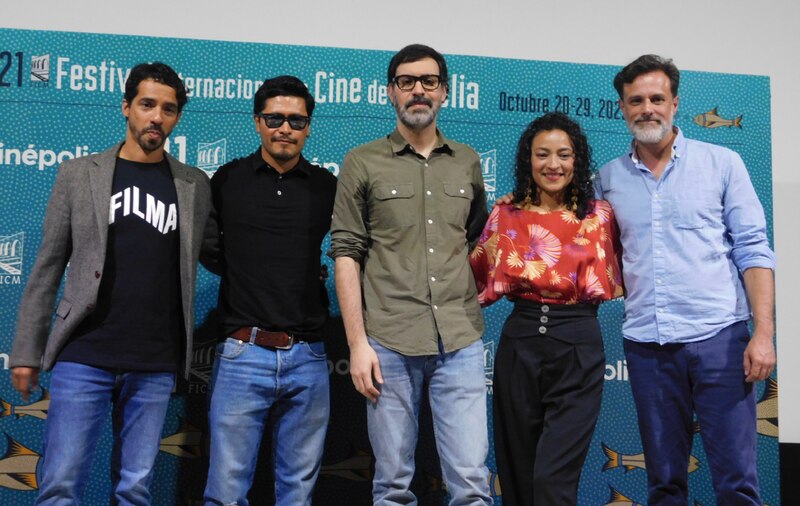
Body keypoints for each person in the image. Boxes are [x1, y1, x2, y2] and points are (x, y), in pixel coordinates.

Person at [9, 62, 212, 505]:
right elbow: (46, 268)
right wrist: (26, 350)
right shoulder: (79, 174)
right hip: (84, 354)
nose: (157, 116)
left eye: (169, 108)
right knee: (61, 484)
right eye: (147, 105)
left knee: (135, 490)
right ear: (126, 108)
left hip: (155, 362)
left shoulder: (194, 184)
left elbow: (218, 252)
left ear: (177, 117)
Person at [595, 54, 776, 505]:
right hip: (648, 348)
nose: (647, 108)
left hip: (721, 341)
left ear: (675, 103)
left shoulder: (723, 163)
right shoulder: (608, 180)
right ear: (622, 107)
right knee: (664, 484)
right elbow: (598, 259)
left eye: (657, 98)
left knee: (737, 482)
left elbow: (753, 250)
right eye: (635, 100)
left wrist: (765, 334)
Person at [330, 44, 492, 505]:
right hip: (387, 342)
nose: (417, 90)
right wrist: (358, 345)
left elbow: (479, 240)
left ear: (444, 91)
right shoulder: (362, 162)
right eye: (406, 82)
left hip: (459, 341)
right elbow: (346, 253)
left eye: (428, 81)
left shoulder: (468, 161)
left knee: (471, 483)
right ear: (390, 92)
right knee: (392, 485)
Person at [470, 112, 623, 505]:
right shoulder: (505, 214)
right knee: (517, 475)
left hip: (578, 345)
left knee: (552, 480)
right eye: (542, 155)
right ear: (528, 160)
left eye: (563, 155)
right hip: (519, 343)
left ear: (577, 160)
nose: (553, 165)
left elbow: (632, 268)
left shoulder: (600, 216)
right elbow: (471, 281)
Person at [201, 75, 337, 506]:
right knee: (226, 492)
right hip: (244, 352)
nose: (285, 129)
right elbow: (207, 249)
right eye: (274, 118)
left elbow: (352, 252)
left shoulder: (326, 187)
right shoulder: (226, 180)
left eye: (296, 121)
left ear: (309, 127)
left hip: (310, 357)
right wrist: (250, 272)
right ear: (257, 122)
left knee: (297, 494)